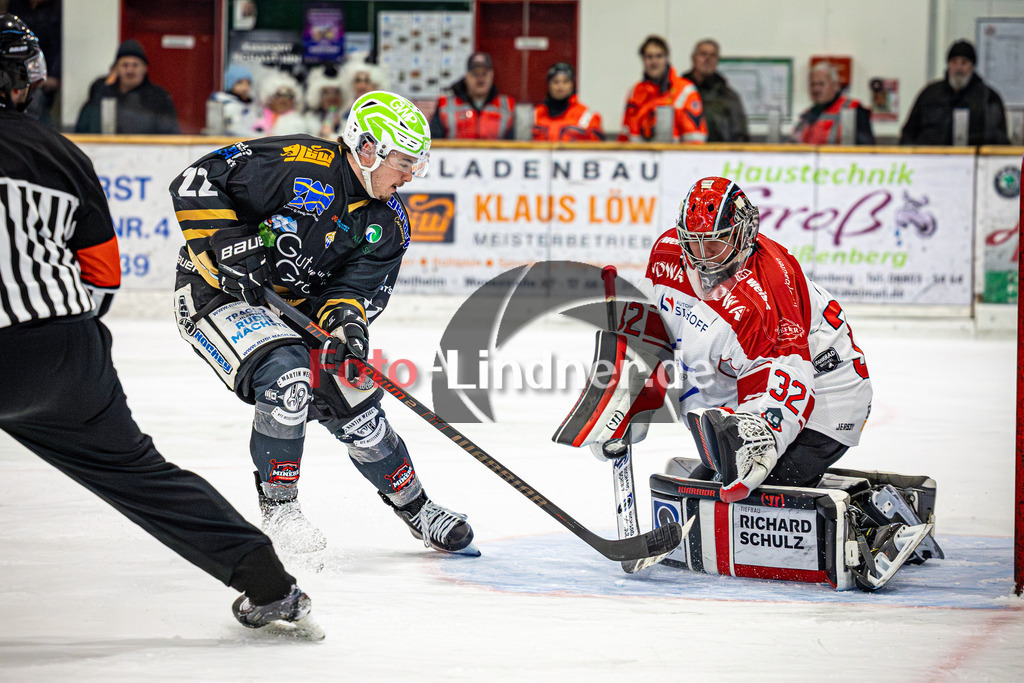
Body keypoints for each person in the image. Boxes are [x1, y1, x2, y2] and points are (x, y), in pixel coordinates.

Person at [0, 14, 315, 634]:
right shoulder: (61, 153)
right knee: (139, 474)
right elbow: (102, 276)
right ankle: (266, 581)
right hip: (65, 348)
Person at [168, 90, 479, 557]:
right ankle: (281, 510)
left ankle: (417, 509)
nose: (410, 174)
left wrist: (347, 331)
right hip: (217, 294)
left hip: (296, 311)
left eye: (417, 163)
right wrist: (231, 243)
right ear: (368, 149)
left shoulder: (390, 222)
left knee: (361, 408)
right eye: (403, 161)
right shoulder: (299, 161)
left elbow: (352, 293)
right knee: (288, 377)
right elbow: (195, 180)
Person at [900, 40, 1009, 146]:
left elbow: (999, 139)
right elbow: (909, 133)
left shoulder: (988, 98)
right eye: (954, 62)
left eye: (964, 63)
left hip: (973, 160)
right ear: (948, 65)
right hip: (930, 160)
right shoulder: (930, 94)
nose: (958, 68)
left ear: (972, 67)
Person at [74, 38, 179, 134]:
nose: (130, 70)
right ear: (116, 69)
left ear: (145, 69)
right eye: (125, 65)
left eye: (135, 65)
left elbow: (172, 136)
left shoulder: (160, 98)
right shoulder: (100, 95)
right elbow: (81, 132)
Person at [619, 35, 707, 143]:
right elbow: (624, 137)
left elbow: (695, 139)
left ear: (667, 58)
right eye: (649, 57)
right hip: (638, 158)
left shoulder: (685, 91)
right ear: (643, 59)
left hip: (674, 158)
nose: (654, 61)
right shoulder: (634, 93)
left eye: (659, 56)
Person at [430, 51, 515, 140]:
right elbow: (434, 142)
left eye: (484, 73)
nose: (480, 79)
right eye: (475, 74)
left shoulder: (507, 106)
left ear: (491, 75)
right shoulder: (445, 105)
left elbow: (516, 143)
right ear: (467, 76)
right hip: (455, 153)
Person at [681, 39, 748, 142]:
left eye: (712, 55)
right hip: (680, 154)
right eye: (703, 54)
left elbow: (740, 136)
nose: (708, 59)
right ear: (693, 58)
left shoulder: (728, 96)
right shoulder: (678, 91)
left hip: (718, 155)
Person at [791, 62, 874, 145]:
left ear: (835, 86)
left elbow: (867, 148)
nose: (816, 89)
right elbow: (792, 143)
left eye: (821, 84)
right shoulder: (808, 115)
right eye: (813, 85)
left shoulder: (853, 109)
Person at [532, 62, 603, 142]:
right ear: (549, 85)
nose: (560, 86)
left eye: (565, 82)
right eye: (555, 82)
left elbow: (597, 151)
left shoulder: (587, 116)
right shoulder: (536, 114)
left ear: (572, 85)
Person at [252, 71, 307, 136]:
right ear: (269, 98)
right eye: (279, 95)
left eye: (289, 95)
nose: (284, 100)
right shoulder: (255, 116)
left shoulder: (298, 123)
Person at [209, 63, 258, 136]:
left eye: (248, 83)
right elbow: (234, 129)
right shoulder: (229, 105)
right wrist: (258, 136)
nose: (244, 87)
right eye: (239, 83)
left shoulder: (246, 103)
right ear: (230, 84)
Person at [304, 64, 346, 139]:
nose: (331, 97)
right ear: (318, 96)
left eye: (336, 92)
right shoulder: (308, 119)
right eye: (326, 92)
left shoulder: (347, 119)